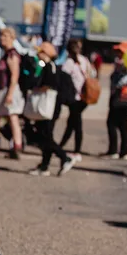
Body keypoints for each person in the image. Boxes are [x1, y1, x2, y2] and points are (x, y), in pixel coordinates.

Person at [28, 42, 78, 176]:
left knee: (45, 136)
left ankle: (64, 157)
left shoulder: (50, 67)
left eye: (40, 52)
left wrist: (36, 89)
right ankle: (45, 165)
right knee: (46, 135)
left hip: (49, 107)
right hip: (49, 107)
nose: (38, 55)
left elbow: (50, 85)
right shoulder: (47, 66)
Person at [0, 27, 24, 159]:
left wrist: (10, 94)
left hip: (8, 90)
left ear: (12, 38)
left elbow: (14, 76)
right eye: (1, 36)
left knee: (11, 117)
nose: (2, 39)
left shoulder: (12, 55)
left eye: (5, 36)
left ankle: (16, 146)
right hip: (3, 90)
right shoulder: (6, 54)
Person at [59, 38, 92, 161]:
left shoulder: (69, 63)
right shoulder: (84, 60)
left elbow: (63, 79)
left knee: (76, 124)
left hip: (75, 98)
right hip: (84, 97)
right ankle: (61, 146)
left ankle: (76, 151)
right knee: (72, 123)